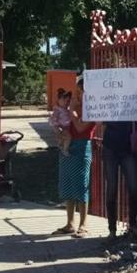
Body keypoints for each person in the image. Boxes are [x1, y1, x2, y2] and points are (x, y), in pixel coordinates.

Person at [53, 78, 96, 238]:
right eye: (77, 92)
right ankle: (70, 223)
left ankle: (83, 224)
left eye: (81, 92)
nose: (77, 96)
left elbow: (80, 126)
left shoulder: (93, 109)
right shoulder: (72, 107)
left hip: (82, 146)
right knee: (67, 183)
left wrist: (71, 110)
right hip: (67, 147)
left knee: (81, 184)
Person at [101, 120, 137, 239]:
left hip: (128, 146)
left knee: (133, 187)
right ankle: (112, 229)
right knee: (111, 189)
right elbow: (100, 119)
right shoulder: (106, 103)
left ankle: (132, 225)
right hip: (110, 147)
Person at [49, 88, 73, 155]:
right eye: (63, 100)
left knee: (65, 138)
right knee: (68, 137)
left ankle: (61, 145)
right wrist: (57, 128)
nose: (66, 102)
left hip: (66, 126)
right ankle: (65, 149)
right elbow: (54, 119)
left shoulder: (67, 109)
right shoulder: (58, 109)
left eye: (68, 101)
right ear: (58, 100)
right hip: (61, 127)